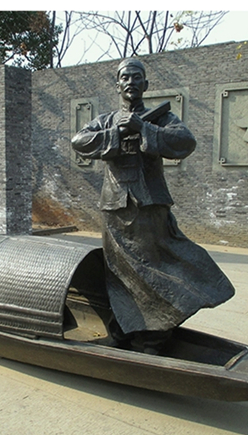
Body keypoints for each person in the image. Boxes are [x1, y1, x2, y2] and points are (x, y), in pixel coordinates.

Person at [71, 58, 235, 354]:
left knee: (152, 268)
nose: (131, 82)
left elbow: (185, 142)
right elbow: (79, 141)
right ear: (118, 85)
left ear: (145, 85)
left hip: (148, 206)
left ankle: (153, 336)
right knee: (118, 270)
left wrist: (144, 128)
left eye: (137, 77)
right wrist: (117, 133)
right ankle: (124, 325)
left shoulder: (160, 118)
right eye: (125, 77)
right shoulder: (107, 120)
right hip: (114, 206)